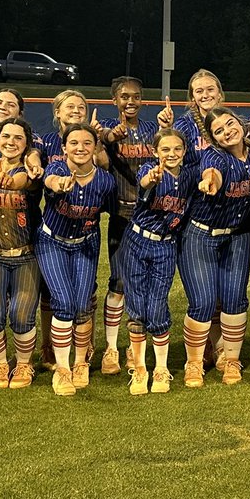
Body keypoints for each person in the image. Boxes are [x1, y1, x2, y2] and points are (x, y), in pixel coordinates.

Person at [177, 106, 250, 388]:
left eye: (230, 123)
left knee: (235, 300)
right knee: (203, 302)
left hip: (237, 235)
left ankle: (231, 359)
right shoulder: (215, 155)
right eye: (219, 131)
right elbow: (213, 172)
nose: (227, 131)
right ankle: (194, 362)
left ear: (240, 122)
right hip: (201, 234)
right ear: (213, 139)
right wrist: (209, 181)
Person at [36, 123, 118, 396]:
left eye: (86, 143)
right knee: (63, 303)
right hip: (52, 242)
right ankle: (62, 370)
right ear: (64, 148)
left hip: (85, 243)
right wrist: (59, 185)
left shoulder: (105, 181)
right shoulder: (57, 168)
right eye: (74, 143)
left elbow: (112, 210)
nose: (80, 148)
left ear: (95, 147)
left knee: (83, 305)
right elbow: (51, 180)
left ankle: (81, 361)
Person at [122, 128, 196, 395]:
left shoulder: (190, 175)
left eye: (177, 149)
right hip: (136, 241)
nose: (171, 154)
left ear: (185, 152)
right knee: (136, 307)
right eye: (165, 149)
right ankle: (140, 369)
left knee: (156, 306)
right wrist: (151, 179)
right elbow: (145, 181)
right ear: (155, 152)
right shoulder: (149, 169)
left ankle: (161, 368)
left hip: (166, 245)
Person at [96, 76, 158, 376]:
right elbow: (103, 148)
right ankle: (111, 348)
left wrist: (168, 127)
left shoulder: (151, 130)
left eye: (135, 96)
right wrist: (108, 137)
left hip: (151, 216)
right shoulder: (108, 127)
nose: (130, 101)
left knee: (144, 284)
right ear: (114, 100)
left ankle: (137, 347)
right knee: (119, 283)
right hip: (122, 215)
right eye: (124, 96)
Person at [0, 117, 42, 390]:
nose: (11, 142)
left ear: (27, 145)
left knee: (22, 316)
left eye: (18, 138)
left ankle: (24, 364)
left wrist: (15, 182)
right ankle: (1, 364)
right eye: (6, 136)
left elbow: (28, 183)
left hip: (26, 255)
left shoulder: (33, 171)